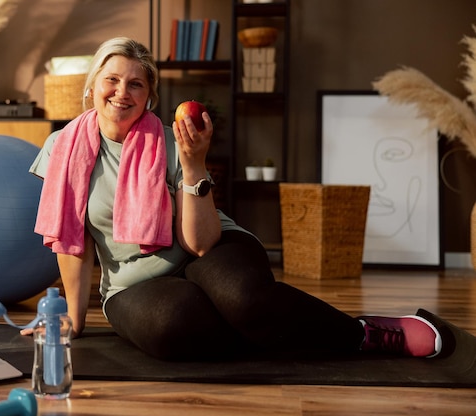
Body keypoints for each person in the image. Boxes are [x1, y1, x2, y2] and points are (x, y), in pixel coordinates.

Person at [29, 37, 442, 361]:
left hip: (208, 248)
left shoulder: (171, 141)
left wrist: (193, 165)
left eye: (136, 83)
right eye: (113, 80)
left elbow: (201, 243)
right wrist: (73, 319)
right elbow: (73, 241)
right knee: (173, 325)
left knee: (245, 300)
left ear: (149, 96)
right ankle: (269, 328)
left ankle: (367, 334)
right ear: (92, 87)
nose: (122, 92)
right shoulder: (62, 148)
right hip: (131, 285)